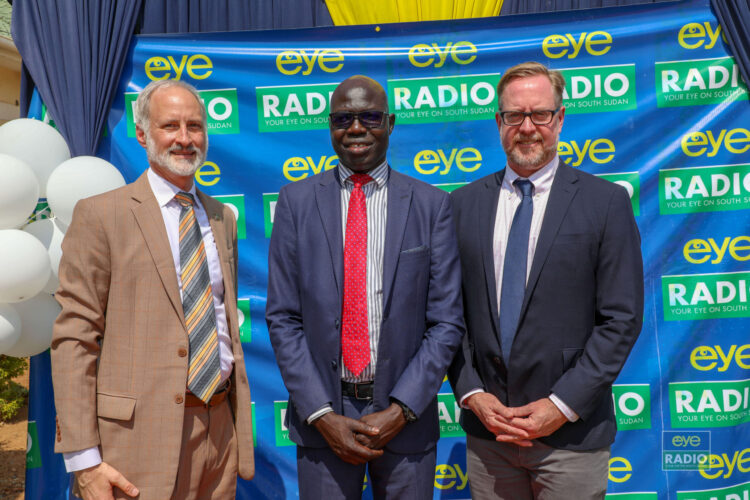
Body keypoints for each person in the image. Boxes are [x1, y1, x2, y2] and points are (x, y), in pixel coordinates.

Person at [448, 61, 644, 499]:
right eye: (514, 115)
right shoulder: (461, 206)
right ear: (498, 122)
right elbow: (447, 315)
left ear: (560, 119)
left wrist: (561, 405)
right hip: (489, 436)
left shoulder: (605, 203)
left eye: (540, 114)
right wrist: (472, 393)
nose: (527, 127)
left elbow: (621, 319)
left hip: (571, 437)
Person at [51, 79, 254, 500]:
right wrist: (84, 461)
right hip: (135, 441)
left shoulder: (222, 217)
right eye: (170, 126)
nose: (185, 138)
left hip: (219, 430)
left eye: (194, 126)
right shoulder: (101, 216)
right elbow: (74, 340)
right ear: (142, 134)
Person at [266, 75, 464, 499]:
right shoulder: (295, 203)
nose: (356, 128)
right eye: (343, 119)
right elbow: (283, 317)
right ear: (330, 126)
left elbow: (446, 322)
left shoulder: (432, 205)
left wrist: (402, 409)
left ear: (390, 123)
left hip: (405, 421)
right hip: (322, 421)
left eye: (370, 117)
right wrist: (320, 413)